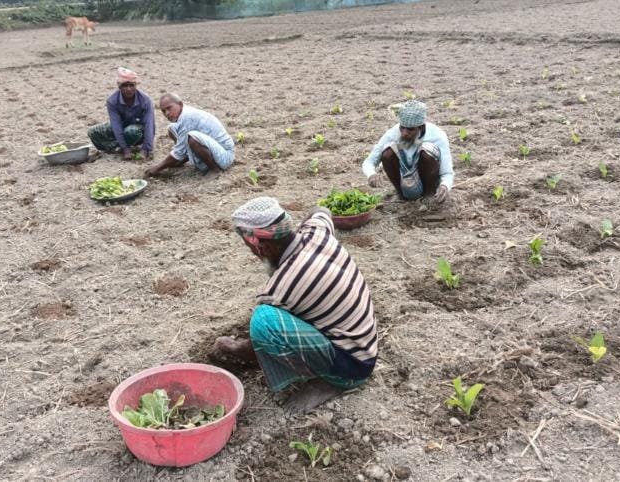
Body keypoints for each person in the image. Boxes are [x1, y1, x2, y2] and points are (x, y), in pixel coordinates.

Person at [215, 197, 378, 414]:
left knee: (263, 321)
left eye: (251, 248)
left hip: (353, 365)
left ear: (263, 247)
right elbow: (321, 210)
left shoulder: (280, 288)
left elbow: (255, 346)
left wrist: (231, 347)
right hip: (366, 342)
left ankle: (333, 381)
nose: (254, 254)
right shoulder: (316, 232)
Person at [362, 100, 454, 203]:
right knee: (387, 152)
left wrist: (445, 186)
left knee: (427, 151)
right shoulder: (393, 133)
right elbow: (369, 161)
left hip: (428, 180)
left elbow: (447, 172)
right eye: (402, 128)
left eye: (410, 129)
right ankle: (401, 195)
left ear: (421, 127)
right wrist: (371, 174)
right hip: (403, 180)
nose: (404, 133)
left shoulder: (437, 135)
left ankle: (429, 195)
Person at [143, 93, 235, 177]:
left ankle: (214, 169)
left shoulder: (187, 117)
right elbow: (180, 148)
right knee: (172, 128)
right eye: (163, 111)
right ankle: (184, 158)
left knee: (192, 137)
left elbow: (178, 151)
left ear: (180, 104)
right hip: (215, 150)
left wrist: (158, 167)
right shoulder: (183, 114)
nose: (167, 113)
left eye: (169, 108)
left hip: (225, 156)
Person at [87, 67, 155, 161]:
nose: (128, 89)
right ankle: (118, 147)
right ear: (119, 87)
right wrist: (125, 149)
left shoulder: (145, 100)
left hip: (139, 131)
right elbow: (116, 126)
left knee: (131, 131)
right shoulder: (112, 101)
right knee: (92, 132)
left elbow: (149, 125)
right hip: (123, 127)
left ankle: (115, 147)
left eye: (131, 85)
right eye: (124, 86)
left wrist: (146, 149)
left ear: (136, 85)